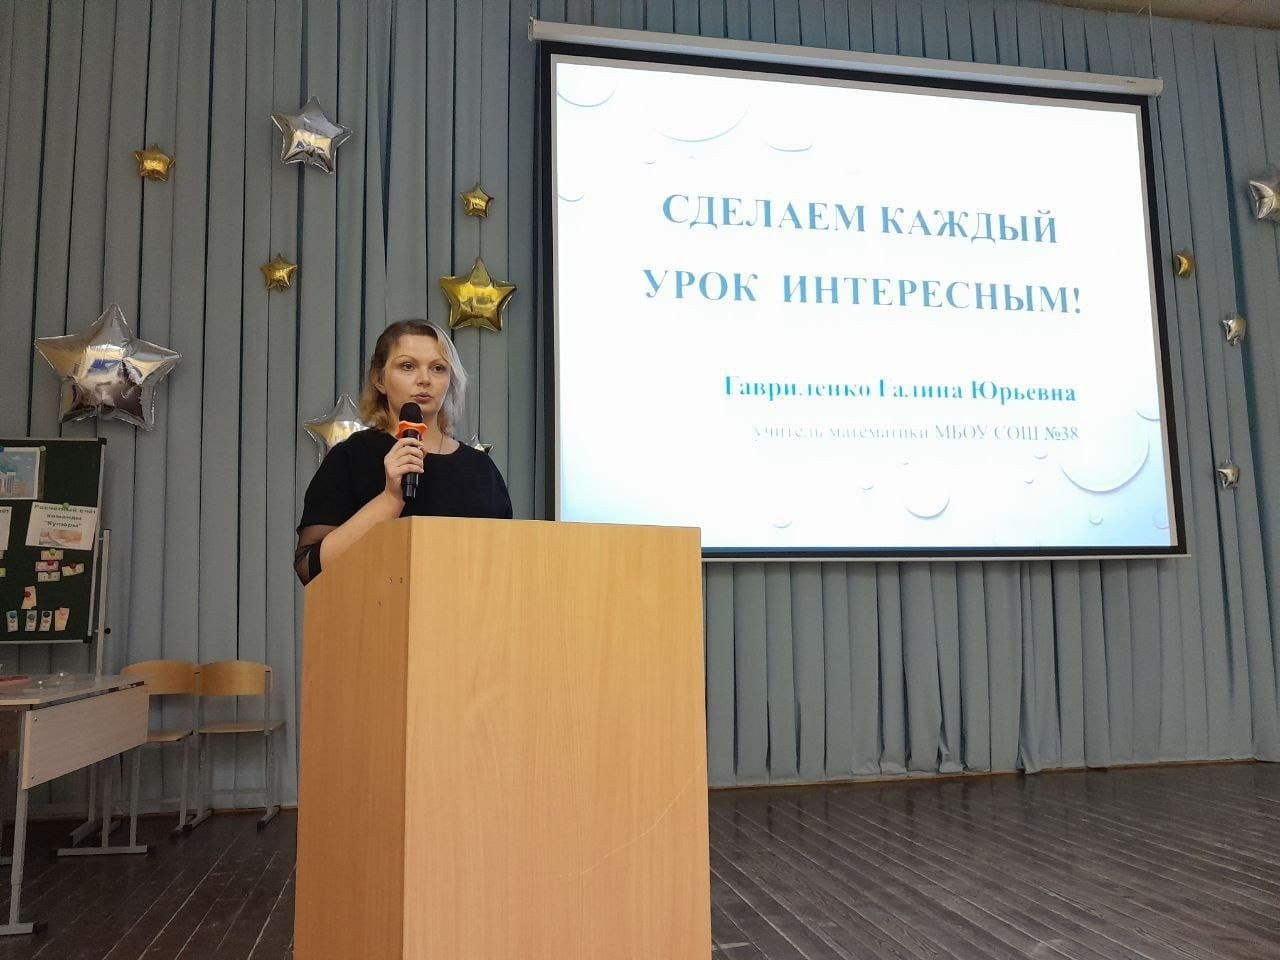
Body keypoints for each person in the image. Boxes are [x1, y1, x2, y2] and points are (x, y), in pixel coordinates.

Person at [294, 319, 512, 585]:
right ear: (379, 379)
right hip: (375, 609)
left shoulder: (481, 469)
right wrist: (390, 498)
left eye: (438, 368)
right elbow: (309, 569)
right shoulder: (351, 457)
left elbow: (505, 567)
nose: (424, 380)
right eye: (407, 366)